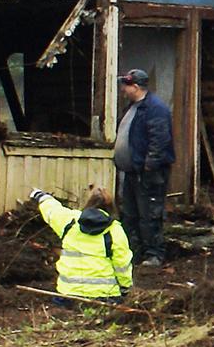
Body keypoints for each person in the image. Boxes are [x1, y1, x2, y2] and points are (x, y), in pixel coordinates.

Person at [28, 185, 133, 303]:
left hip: (68, 294)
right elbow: (122, 264)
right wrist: (125, 288)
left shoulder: (70, 221)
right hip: (104, 296)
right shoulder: (115, 230)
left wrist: (40, 196)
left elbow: (52, 210)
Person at [113, 68, 175, 267]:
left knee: (149, 213)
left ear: (136, 87)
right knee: (130, 214)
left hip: (148, 173)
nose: (123, 89)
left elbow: (160, 139)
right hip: (132, 171)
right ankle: (134, 251)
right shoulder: (133, 107)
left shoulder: (155, 109)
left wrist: (149, 165)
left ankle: (154, 253)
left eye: (126, 85)